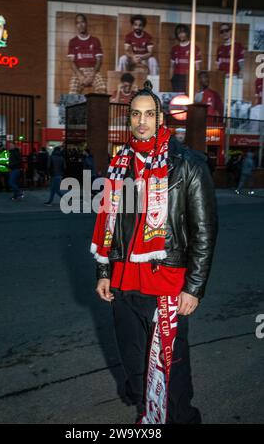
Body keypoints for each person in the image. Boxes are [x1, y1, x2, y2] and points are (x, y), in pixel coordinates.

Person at [91, 81, 218, 424]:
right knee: (134, 365)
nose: (142, 121)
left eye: (149, 114)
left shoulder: (188, 165)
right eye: (136, 114)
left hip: (166, 282)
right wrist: (104, 272)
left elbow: (204, 230)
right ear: (129, 119)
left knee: (170, 371)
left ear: (161, 119)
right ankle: (150, 416)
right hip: (123, 283)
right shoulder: (119, 164)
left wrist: (194, 287)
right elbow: (110, 226)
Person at [67, 14, 106, 94]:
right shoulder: (73, 41)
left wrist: (92, 75)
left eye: (82, 22)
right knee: (72, 94)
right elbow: (71, 62)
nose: (80, 25)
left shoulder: (95, 40)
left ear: (86, 23)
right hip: (79, 71)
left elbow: (99, 61)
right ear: (76, 25)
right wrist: (80, 76)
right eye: (78, 23)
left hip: (93, 70)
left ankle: (95, 106)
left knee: (103, 89)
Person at [170, 24, 202, 93]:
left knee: (188, 98)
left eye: (182, 32)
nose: (181, 35)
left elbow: (197, 67)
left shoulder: (194, 48)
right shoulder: (174, 48)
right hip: (177, 78)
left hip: (189, 77)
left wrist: (196, 80)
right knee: (178, 98)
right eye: (179, 33)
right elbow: (172, 66)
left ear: (187, 33)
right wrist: (171, 78)